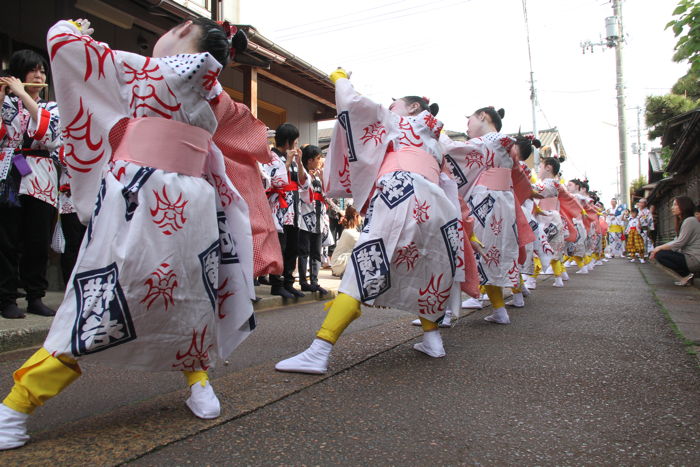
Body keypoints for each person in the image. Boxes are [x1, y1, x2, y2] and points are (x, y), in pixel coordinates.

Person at [0, 17, 257, 450]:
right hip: (191, 199)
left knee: (105, 291)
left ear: (180, 37)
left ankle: (15, 408)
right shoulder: (214, 91)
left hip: (142, 193)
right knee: (190, 293)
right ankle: (198, 382)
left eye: (174, 29)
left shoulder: (152, 70)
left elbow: (62, 43)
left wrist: (76, 27)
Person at [275, 70, 462, 374]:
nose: (389, 107)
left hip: (401, 191)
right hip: (438, 203)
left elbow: (354, 103)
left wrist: (340, 80)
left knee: (365, 265)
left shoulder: (397, 122)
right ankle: (432, 339)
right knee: (430, 268)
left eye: (395, 103)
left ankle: (320, 350)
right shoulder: (438, 140)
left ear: (413, 108)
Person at [440, 107, 521, 325]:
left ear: (483, 116)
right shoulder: (505, 144)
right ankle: (499, 310)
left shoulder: (491, 140)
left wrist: (435, 129)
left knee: (464, 249)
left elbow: (451, 148)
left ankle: (445, 314)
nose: (467, 128)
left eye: (470, 121)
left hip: (486, 201)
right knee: (491, 253)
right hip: (504, 202)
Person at [0, 50, 62, 319]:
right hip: (8, 173)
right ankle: (6, 298)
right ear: (18, 74)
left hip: (40, 175)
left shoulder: (52, 107)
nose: (39, 75)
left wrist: (25, 96)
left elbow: (49, 136)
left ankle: (36, 296)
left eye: (42, 71)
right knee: (6, 240)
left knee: (37, 240)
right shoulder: (4, 104)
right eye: (32, 70)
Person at [262, 123, 308, 298]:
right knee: (280, 247)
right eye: (295, 142)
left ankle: (289, 281)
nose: (296, 146)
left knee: (292, 248)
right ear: (288, 142)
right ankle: (276, 283)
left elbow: (304, 184)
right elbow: (273, 180)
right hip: (279, 209)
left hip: (293, 209)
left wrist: (299, 164)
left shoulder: (294, 160)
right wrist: (287, 162)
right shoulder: (271, 157)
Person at [297, 144, 329, 295]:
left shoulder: (318, 176)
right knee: (304, 252)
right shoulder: (303, 175)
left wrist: (322, 178)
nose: (321, 160)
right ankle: (304, 282)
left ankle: (315, 281)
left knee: (316, 252)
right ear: (309, 161)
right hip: (304, 219)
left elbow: (327, 195)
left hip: (318, 220)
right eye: (318, 158)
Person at [533, 157, 568, 287]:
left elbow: (536, 190)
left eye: (540, 167)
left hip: (545, 219)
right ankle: (558, 277)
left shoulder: (548, 184)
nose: (538, 170)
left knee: (538, 248)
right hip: (554, 218)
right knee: (554, 250)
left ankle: (531, 280)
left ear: (548, 168)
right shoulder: (557, 184)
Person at [650, 196, 699, 286]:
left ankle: (686, 276)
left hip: (694, 259)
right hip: (689, 257)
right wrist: (658, 249)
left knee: (660, 255)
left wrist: (658, 248)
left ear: (684, 206)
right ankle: (687, 276)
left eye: (676, 205)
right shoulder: (685, 221)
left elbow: (679, 243)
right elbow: (676, 241)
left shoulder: (690, 221)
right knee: (660, 253)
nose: (672, 207)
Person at [330, 204, 361, 277]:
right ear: (355, 216)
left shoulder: (351, 230)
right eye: (359, 216)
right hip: (339, 264)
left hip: (339, 262)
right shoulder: (350, 233)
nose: (361, 218)